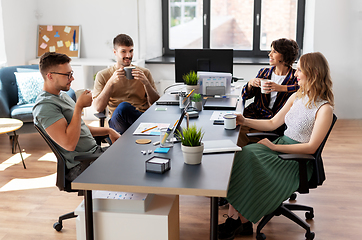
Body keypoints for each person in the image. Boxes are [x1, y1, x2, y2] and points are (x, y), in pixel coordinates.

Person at [218, 52, 334, 240]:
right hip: (281, 145)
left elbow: (311, 147)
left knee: (247, 157)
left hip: (297, 160)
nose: (296, 74)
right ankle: (239, 220)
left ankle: (238, 221)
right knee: (240, 155)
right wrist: (244, 120)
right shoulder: (297, 96)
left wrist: (274, 148)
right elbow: (273, 124)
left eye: (300, 71)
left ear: (312, 73)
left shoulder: (324, 108)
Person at [33, 52, 121, 182]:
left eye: (71, 73)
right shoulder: (45, 107)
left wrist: (108, 130)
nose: (72, 78)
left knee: (133, 154)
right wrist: (79, 107)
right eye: (67, 75)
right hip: (81, 165)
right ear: (50, 76)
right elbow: (69, 144)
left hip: (93, 155)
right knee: (131, 165)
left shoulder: (62, 96)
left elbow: (80, 127)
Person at [238, 38, 300, 147]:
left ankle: (237, 161)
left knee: (239, 136)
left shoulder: (295, 77)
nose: (269, 54)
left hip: (274, 125)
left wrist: (281, 88)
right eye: (270, 51)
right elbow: (244, 96)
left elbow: (303, 90)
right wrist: (250, 84)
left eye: (274, 52)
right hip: (254, 116)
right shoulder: (264, 72)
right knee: (234, 130)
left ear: (285, 55)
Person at [93, 34, 160, 134]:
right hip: (118, 123)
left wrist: (146, 83)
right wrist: (110, 82)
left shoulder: (144, 73)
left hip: (139, 117)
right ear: (115, 52)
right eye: (123, 51)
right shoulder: (103, 75)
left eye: (131, 51)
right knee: (123, 107)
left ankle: (139, 134)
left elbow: (155, 103)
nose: (128, 56)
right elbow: (98, 108)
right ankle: (149, 131)